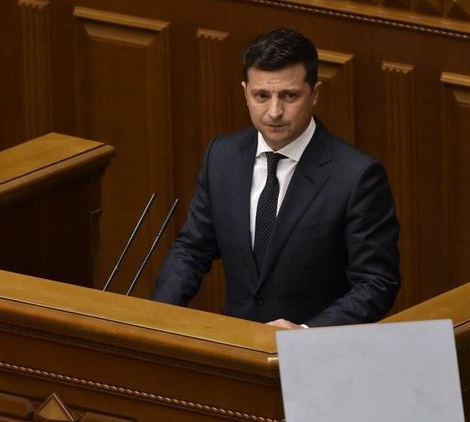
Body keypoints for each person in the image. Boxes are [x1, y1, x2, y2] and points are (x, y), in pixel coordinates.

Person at [152, 28, 400, 329]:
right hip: (236, 344)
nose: (274, 112)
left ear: (315, 94)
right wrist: (159, 317)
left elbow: (375, 283)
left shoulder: (357, 176)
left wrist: (306, 334)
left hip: (311, 349)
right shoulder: (222, 156)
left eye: (289, 96)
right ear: (245, 93)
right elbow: (193, 248)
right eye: (261, 96)